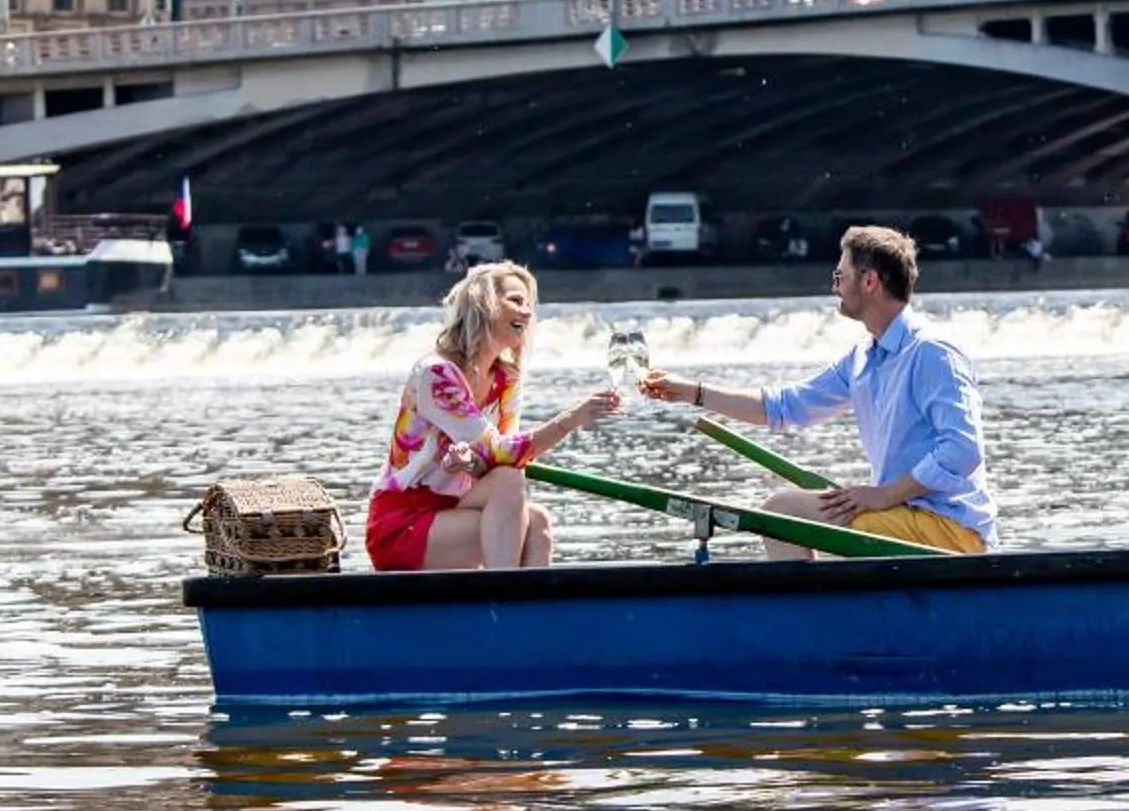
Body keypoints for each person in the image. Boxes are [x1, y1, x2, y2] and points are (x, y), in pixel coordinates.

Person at [642, 223, 994, 553]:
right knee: (780, 510)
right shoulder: (861, 359)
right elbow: (782, 407)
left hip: (952, 529)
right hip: (902, 515)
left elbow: (962, 450)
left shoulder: (932, 353)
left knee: (793, 515)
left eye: (840, 276)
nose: (834, 287)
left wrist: (885, 494)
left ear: (869, 281)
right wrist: (691, 392)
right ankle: (811, 613)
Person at [367, 260, 620, 573]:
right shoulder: (437, 373)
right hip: (402, 524)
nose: (527, 313)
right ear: (483, 305)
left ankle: (526, 617)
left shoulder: (506, 378)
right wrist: (571, 419)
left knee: (537, 519)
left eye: (528, 304)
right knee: (510, 481)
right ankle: (502, 600)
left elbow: (495, 461)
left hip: (455, 511)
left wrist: (470, 463)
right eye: (515, 301)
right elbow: (502, 451)